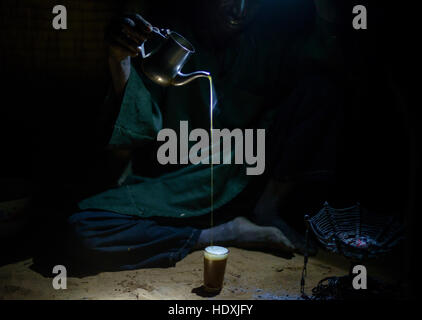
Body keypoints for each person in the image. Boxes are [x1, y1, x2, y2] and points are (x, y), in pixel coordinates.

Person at [67, 0, 348, 271]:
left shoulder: (266, 42)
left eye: (253, 2)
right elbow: (137, 124)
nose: (239, 10)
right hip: (181, 185)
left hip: (244, 175)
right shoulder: (171, 40)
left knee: (320, 88)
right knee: (82, 229)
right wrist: (120, 61)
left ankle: (267, 210)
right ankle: (222, 233)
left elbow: (328, 59)